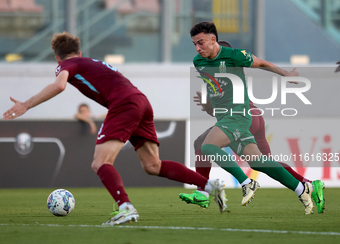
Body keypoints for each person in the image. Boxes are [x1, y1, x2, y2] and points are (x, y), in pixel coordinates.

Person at [2, 32, 227, 225]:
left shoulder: (67, 64)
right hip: (141, 101)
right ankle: (208, 184)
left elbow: (60, 84)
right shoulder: (92, 62)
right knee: (152, 165)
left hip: (124, 104)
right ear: (79, 52)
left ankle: (125, 207)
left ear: (57, 58)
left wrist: (27, 104)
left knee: (100, 162)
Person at [180, 41, 325, 213]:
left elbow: (224, 112)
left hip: (242, 119)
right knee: (265, 162)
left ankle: (204, 191)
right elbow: (219, 111)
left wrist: (208, 106)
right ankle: (307, 184)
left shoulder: (221, 72)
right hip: (255, 117)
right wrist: (208, 106)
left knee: (203, 144)